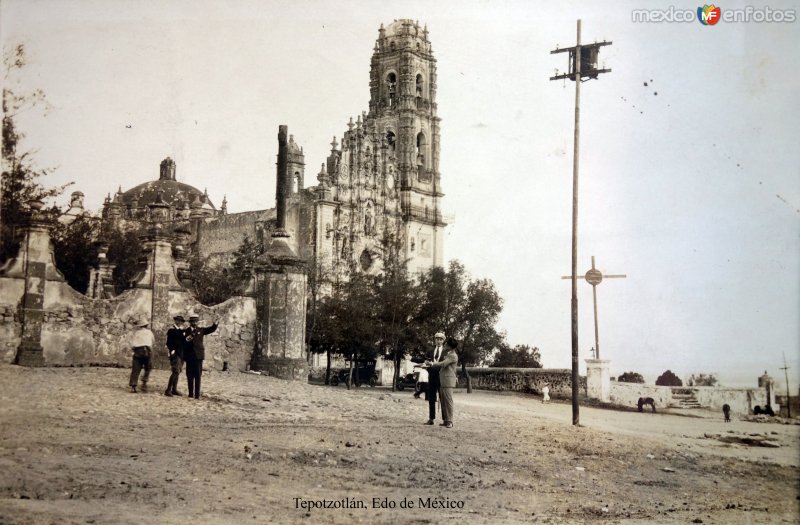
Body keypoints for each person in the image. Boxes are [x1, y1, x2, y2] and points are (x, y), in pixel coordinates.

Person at [426, 336, 459, 428]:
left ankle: (449, 421)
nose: (444, 345)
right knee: (444, 401)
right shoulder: (449, 354)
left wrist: (432, 363)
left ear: (449, 345)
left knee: (448, 401)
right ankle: (446, 420)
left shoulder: (452, 355)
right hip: (443, 379)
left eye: (446, 343)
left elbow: (443, 363)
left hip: (447, 380)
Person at [184, 312, 218, 399]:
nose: (194, 323)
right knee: (190, 375)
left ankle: (197, 395)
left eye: (196, 321)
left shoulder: (201, 330)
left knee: (198, 375)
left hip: (198, 356)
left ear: (197, 322)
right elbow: (185, 341)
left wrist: (215, 323)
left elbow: (211, 329)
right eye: (193, 321)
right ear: (190, 322)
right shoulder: (186, 331)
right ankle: (191, 394)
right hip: (189, 356)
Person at [423, 332, 446, 424]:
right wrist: (427, 365)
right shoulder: (431, 350)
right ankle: (431, 418)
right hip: (432, 376)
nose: (439, 341)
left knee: (442, 398)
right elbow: (427, 361)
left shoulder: (446, 351)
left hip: (441, 377)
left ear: (443, 341)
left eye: (441, 339)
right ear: (435, 340)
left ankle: (445, 419)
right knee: (431, 397)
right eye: (437, 339)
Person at [128, 317, 154, 393]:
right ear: (146, 325)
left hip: (137, 351)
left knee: (135, 369)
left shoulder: (136, 333)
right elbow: (153, 341)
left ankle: (133, 386)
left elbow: (132, 344)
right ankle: (144, 383)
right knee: (148, 367)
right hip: (147, 350)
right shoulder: (149, 332)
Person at [164, 314, 188, 396]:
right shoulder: (171, 330)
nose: (179, 322)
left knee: (178, 371)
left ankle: (174, 389)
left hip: (181, 354)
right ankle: (168, 390)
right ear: (175, 321)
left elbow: (184, 342)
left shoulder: (182, 331)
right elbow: (168, 343)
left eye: (181, 321)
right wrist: (172, 350)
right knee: (175, 371)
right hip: (175, 353)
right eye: (178, 320)